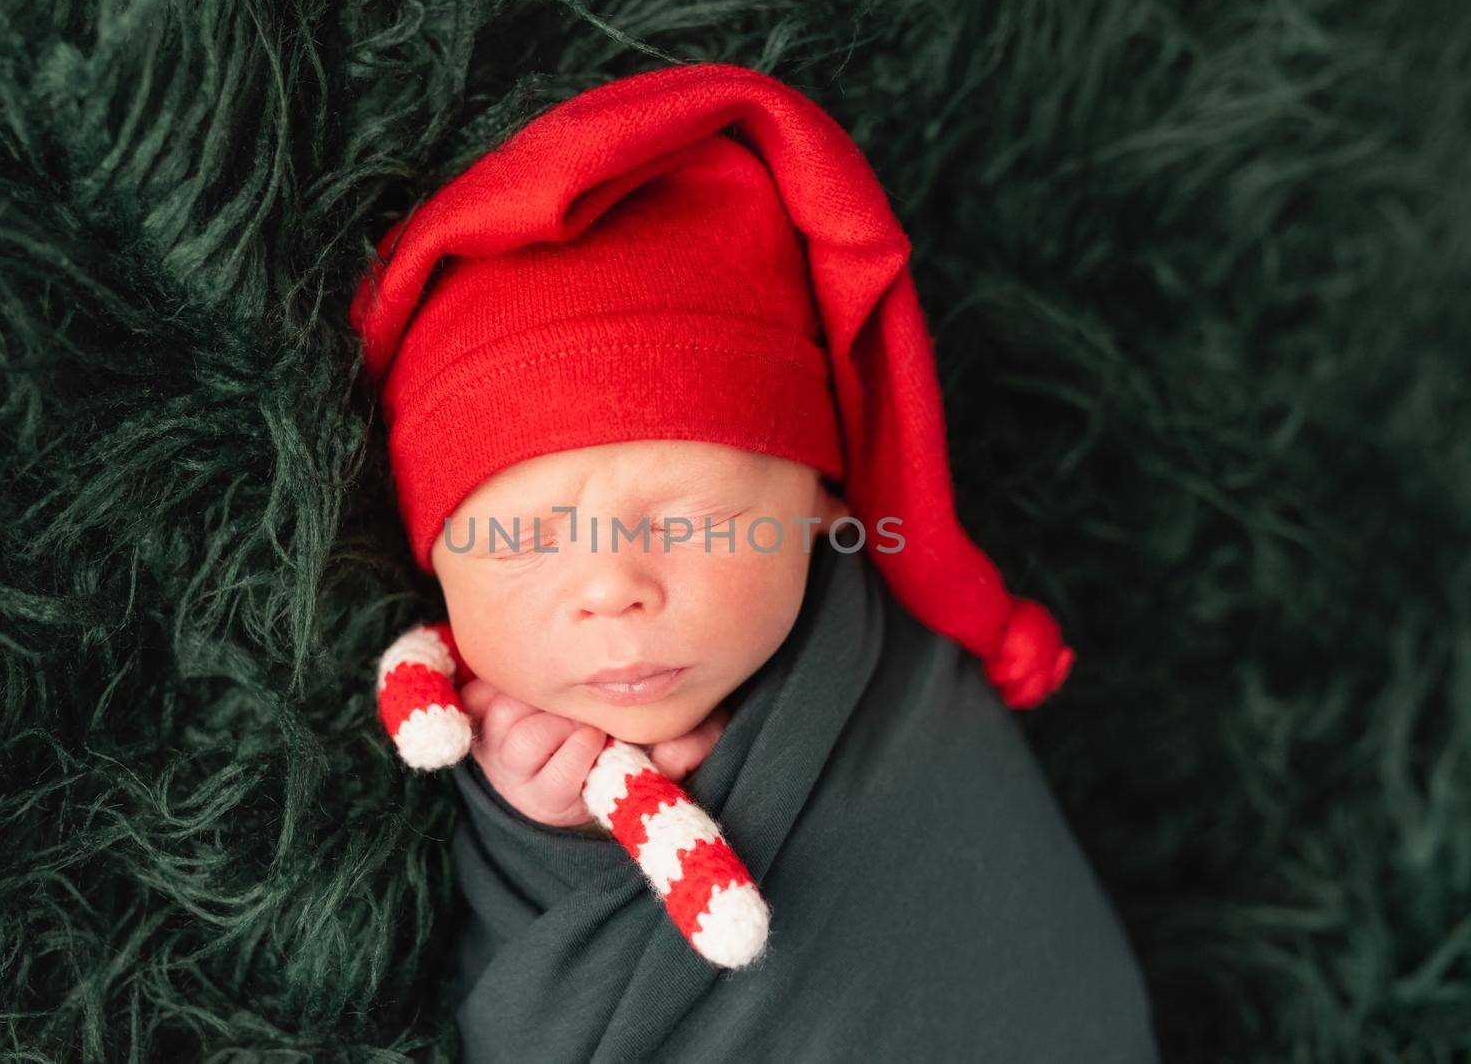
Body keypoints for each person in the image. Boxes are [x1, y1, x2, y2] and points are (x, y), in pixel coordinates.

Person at [350, 60, 1159, 1063]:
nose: (611, 589)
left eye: (694, 524)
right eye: (520, 539)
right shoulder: (479, 741)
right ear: (432, 568)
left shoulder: (895, 690)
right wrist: (544, 841)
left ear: (824, 504)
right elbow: (511, 1023)